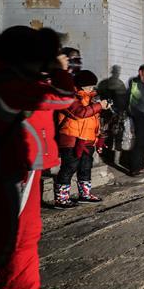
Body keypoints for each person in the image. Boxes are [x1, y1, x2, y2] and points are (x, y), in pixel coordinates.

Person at [0, 27, 76, 289]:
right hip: (1, 169)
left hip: (17, 165)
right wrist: (61, 72)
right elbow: (60, 99)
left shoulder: (4, 73)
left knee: (25, 233)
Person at [54, 70, 110, 207]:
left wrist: (99, 137)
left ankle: (85, 194)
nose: (92, 89)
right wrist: (98, 106)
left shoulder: (92, 98)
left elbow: (96, 120)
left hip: (88, 139)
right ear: (80, 85)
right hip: (72, 138)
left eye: (93, 86)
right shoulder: (69, 97)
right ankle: (61, 199)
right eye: (89, 86)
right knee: (69, 167)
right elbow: (80, 113)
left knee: (86, 167)